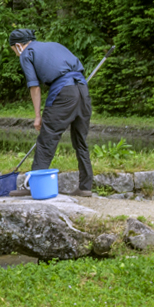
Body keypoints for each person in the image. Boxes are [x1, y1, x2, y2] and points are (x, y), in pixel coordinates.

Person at [8, 29, 94, 197]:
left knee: (47, 139)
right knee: (80, 141)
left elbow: (34, 86)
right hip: (83, 89)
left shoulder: (27, 53)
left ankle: (35, 187)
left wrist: (38, 116)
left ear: (18, 46)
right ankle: (85, 187)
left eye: (13, 51)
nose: (16, 55)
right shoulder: (54, 45)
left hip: (64, 92)